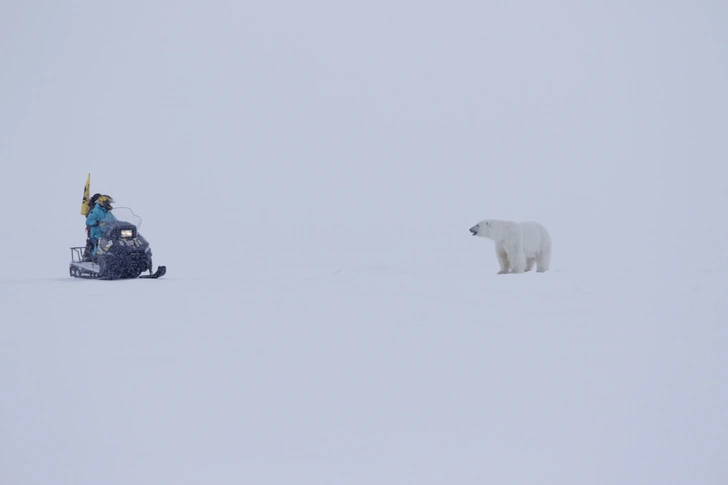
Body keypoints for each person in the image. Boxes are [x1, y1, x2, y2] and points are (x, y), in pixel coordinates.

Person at [84, 194, 118, 260]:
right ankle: (95, 258)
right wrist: (96, 222)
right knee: (99, 244)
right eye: (108, 203)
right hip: (97, 233)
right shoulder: (95, 211)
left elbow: (115, 220)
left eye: (109, 203)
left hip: (107, 232)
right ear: (102, 203)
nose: (109, 204)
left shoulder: (108, 213)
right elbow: (88, 221)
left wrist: (121, 223)